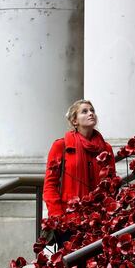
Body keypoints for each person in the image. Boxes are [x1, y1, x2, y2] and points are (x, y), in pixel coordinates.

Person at [43, 99, 116, 246]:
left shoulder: (105, 148)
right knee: (72, 266)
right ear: (74, 121)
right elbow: (50, 185)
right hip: (68, 221)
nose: (91, 113)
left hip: (98, 220)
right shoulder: (61, 146)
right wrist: (57, 216)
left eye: (92, 110)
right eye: (85, 111)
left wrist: (109, 211)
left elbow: (111, 182)